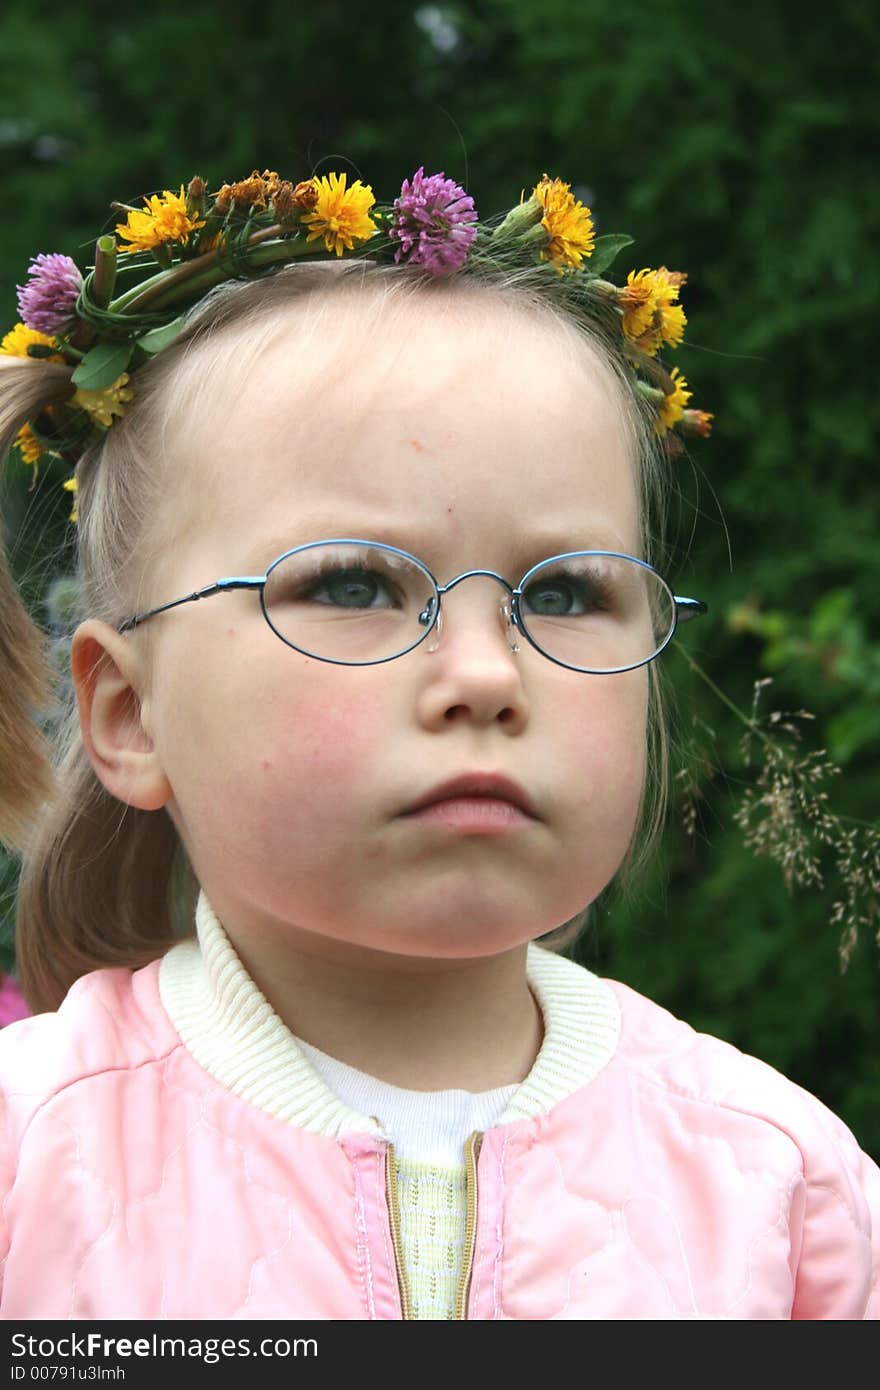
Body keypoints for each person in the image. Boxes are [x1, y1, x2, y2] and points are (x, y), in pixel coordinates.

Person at [0, 167, 876, 1321]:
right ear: (127, 711)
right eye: (354, 581)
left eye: (563, 593)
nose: (483, 675)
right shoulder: (29, 1162)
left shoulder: (782, 1186)